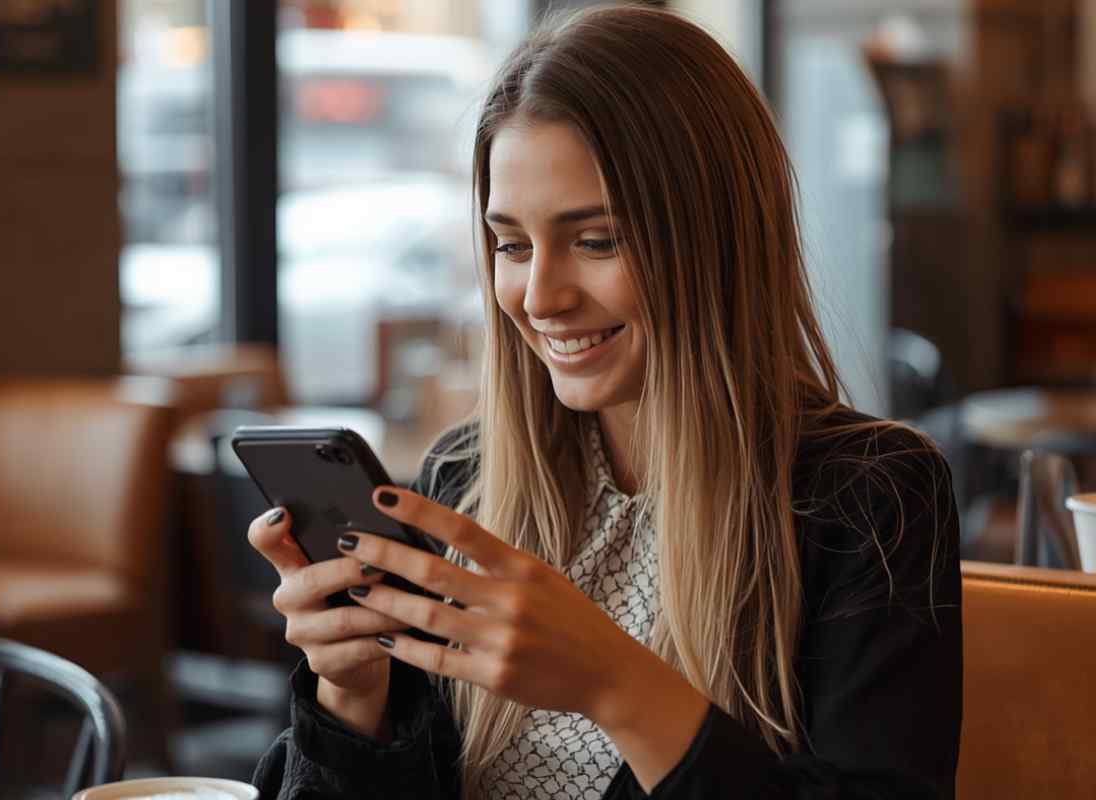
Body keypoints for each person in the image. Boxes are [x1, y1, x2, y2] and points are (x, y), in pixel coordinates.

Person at [247, 5, 961, 799]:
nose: (540, 296)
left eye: (597, 240)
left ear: (715, 239)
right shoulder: (467, 479)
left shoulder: (869, 498)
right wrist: (352, 691)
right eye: (512, 245)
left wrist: (616, 685)